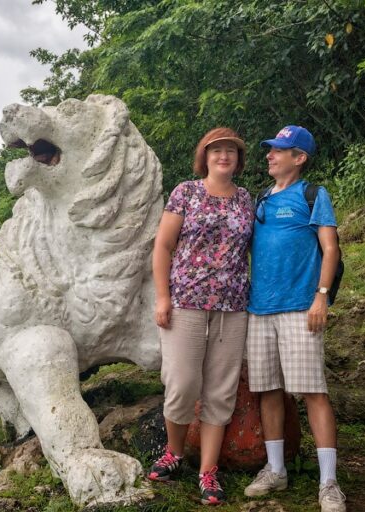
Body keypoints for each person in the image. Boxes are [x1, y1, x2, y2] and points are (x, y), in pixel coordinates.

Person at [148, 127, 254, 505]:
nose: (223, 156)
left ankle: (208, 472)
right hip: (187, 303)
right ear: (205, 157)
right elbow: (163, 245)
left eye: (231, 151)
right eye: (216, 150)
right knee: (181, 384)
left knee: (221, 393)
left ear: (239, 160)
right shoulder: (186, 192)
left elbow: (258, 250)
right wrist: (163, 297)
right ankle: (175, 453)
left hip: (232, 308)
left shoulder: (247, 201)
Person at [243, 125, 346, 512]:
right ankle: (275, 469)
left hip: (301, 308)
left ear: (299, 158)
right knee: (268, 390)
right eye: (270, 149)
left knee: (313, 392)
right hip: (259, 310)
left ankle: (329, 482)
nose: (270, 155)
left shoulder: (313, 195)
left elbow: (330, 248)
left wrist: (321, 298)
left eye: (279, 150)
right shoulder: (260, 200)